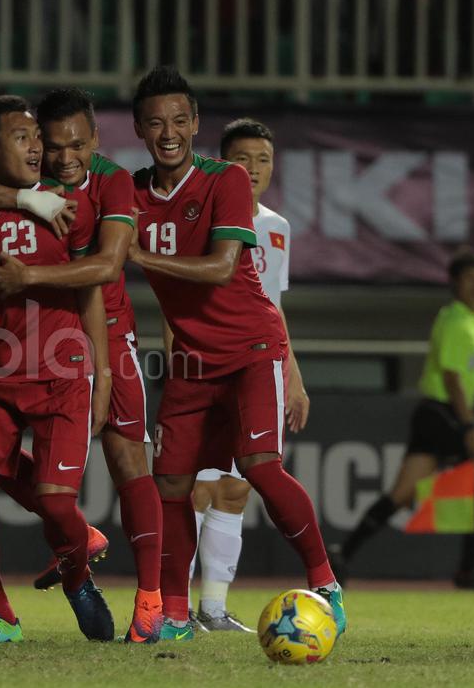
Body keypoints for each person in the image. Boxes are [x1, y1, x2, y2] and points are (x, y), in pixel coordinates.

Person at [125, 65, 344, 641]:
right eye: (155, 122)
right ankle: (177, 615)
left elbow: (222, 268)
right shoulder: (130, 192)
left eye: (178, 119)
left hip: (250, 348)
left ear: (195, 123)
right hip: (193, 362)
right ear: (140, 130)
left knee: (257, 468)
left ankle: (325, 584)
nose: (168, 131)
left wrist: (139, 257)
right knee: (171, 484)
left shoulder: (224, 179)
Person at [0, 87, 164, 643]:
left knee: (127, 460)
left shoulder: (110, 180)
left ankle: (155, 600)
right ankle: (41, 581)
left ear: (94, 140)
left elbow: (106, 268)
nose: (62, 157)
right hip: (17, 351)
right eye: (47, 142)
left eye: (74, 145)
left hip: (102, 335)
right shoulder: (23, 186)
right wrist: (23, 200)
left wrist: (104, 374)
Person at [331, 248, 474, 590]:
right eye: (470, 279)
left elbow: (471, 371)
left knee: (402, 493)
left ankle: (341, 553)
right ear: (455, 283)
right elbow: (451, 378)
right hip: (441, 411)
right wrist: (469, 426)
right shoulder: (453, 319)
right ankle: (467, 570)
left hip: (439, 414)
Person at [187, 118, 310, 633]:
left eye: (263, 159)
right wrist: (183, 363)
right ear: (223, 163)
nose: (254, 168)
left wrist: (294, 376)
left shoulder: (275, 226)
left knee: (235, 489)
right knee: (195, 484)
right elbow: (185, 299)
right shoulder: (204, 216)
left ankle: (213, 609)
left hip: (259, 367)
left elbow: (273, 307)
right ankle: (170, 606)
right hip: (205, 362)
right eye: (243, 158)